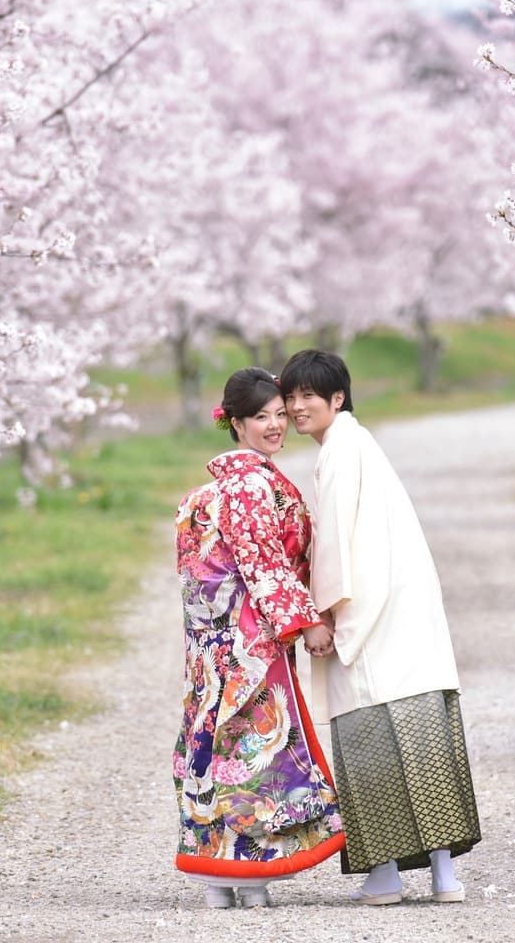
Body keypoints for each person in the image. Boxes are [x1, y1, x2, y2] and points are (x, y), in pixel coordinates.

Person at [280, 349, 481, 906]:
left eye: (307, 397)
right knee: (426, 742)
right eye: (290, 396)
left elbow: (340, 548)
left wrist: (321, 617)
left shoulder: (342, 452)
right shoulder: (356, 443)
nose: (296, 407)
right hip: (406, 615)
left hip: (372, 616)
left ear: (337, 399)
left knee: (372, 740)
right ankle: (444, 876)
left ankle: (386, 875)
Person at [172, 367, 344, 909]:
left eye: (278, 415)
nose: (275, 426)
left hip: (214, 646)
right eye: (261, 418)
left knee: (212, 740)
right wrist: (307, 620)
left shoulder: (215, 490)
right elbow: (266, 564)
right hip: (249, 641)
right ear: (236, 424)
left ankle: (217, 876)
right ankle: (248, 874)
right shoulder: (249, 484)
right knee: (251, 749)